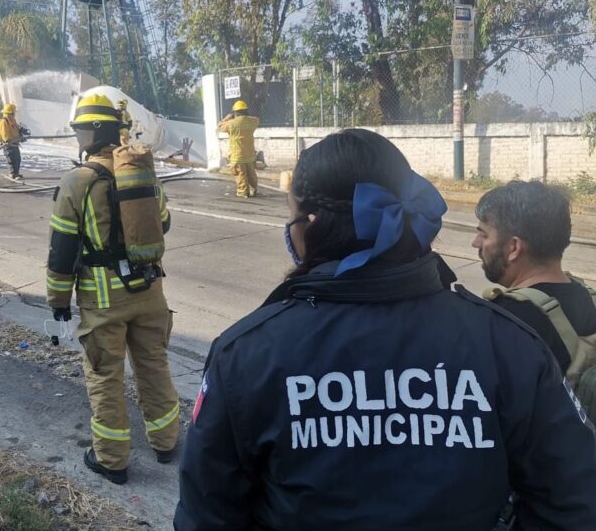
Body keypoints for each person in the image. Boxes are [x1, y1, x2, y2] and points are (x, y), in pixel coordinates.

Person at [175, 129, 596, 530]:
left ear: (311, 223)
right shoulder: (510, 344)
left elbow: (207, 516)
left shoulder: (246, 354)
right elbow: (573, 502)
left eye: (292, 214)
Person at [47, 93, 178, 485]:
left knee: (105, 377)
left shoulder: (77, 182)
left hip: (105, 303)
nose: (77, 137)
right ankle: (166, 442)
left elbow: (62, 252)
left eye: (80, 130)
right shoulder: (142, 172)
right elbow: (163, 223)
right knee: (154, 366)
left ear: (92, 133)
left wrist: (58, 303)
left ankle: (112, 460)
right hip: (150, 293)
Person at [474, 180, 596, 387]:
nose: (475, 242)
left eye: (483, 234)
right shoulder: (590, 300)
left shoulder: (500, 320)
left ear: (514, 247)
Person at [218, 100, 260, 198]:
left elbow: (219, 127)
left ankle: (243, 192)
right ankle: (253, 189)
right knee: (251, 173)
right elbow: (257, 120)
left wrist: (226, 118)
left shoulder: (231, 124)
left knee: (240, 174)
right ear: (246, 111)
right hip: (250, 154)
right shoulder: (252, 122)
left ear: (235, 112)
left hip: (237, 155)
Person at [0, 103, 23, 180]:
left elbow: (16, 131)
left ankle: (16, 173)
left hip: (15, 144)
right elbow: (5, 136)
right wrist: (12, 140)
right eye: (13, 113)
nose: (14, 115)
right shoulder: (4, 122)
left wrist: (20, 137)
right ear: (10, 113)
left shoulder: (12, 120)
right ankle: (13, 174)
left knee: (17, 159)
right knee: (11, 160)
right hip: (8, 146)